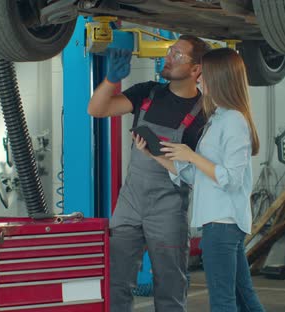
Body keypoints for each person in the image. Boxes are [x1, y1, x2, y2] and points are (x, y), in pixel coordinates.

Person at [134, 47, 266, 312]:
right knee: (244, 298)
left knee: (223, 301)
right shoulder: (218, 118)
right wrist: (156, 156)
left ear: (219, 78)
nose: (199, 80)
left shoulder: (233, 122)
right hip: (220, 224)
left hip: (223, 224)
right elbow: (198, 177)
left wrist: (192, 156)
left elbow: (231, 179)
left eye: (204, 75)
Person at [87, 35, 211, 312]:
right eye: (170, 51)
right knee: (116, 281)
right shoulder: (148, 92)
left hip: (168, 209)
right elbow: (96, 109)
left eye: (177, 55)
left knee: (170, 285)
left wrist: (159, 154)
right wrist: (110, 80)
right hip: (130, 203)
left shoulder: (203, 115)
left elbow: (198, 171)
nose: (168, 57)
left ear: (196, 70)